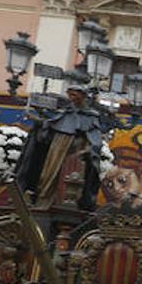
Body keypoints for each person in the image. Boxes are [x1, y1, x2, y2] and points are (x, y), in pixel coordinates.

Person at [15, 79, 114, 211]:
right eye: (70, 95)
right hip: (57, 148)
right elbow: (50, 126)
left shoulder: (91, 117)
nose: (72, 98)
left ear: (83, 96)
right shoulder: (64, 113)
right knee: (48, 175)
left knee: (72, 180)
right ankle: (44, 200)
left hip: (77, 154)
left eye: (75, 95)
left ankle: (70, 204)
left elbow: (95, 139)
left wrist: (88, 150)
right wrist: (36, 121)